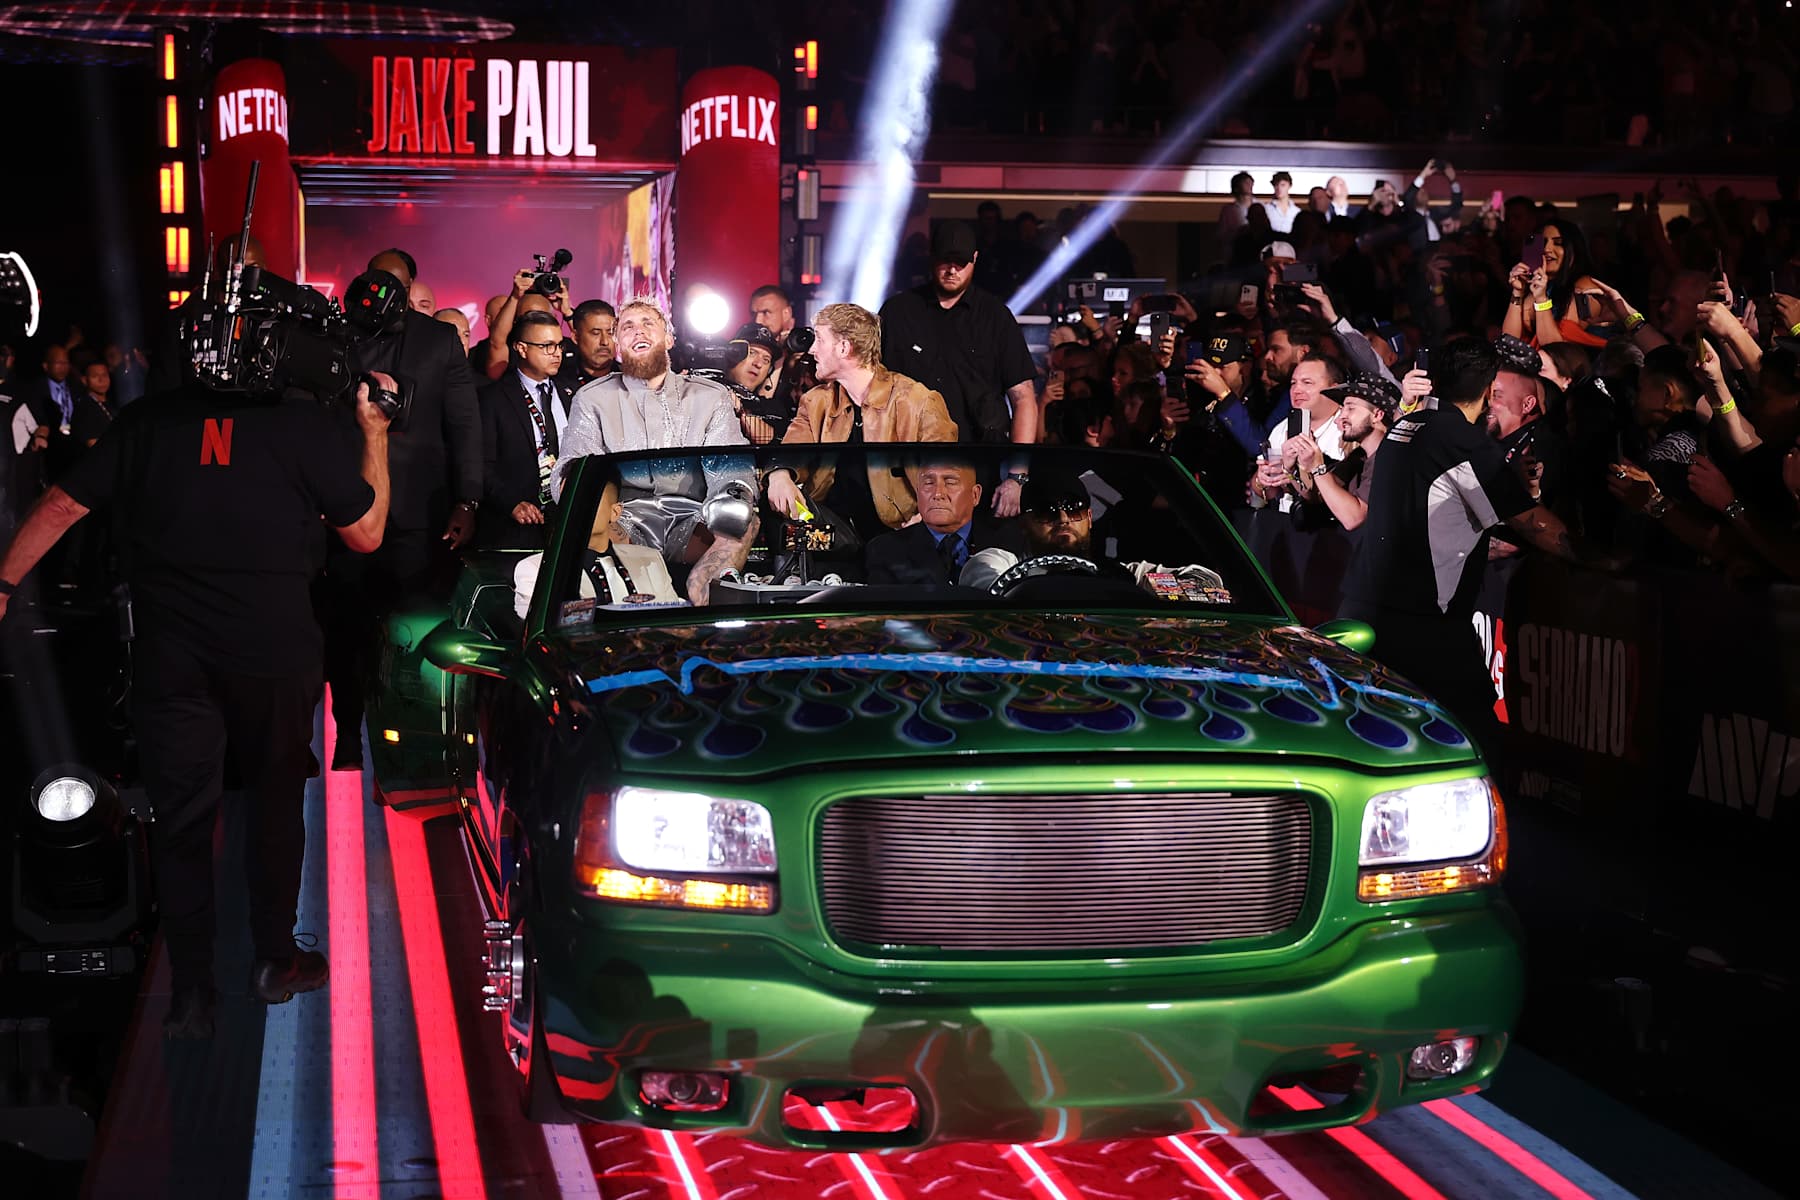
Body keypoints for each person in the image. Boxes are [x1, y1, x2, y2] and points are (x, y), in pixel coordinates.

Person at [0, 359, 397, 1039]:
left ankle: (192, 994)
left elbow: (64, 505)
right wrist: (375, 432)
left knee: (181, 821)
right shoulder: (301, 424)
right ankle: (274, 962)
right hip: (273, 655)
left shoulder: (146, 420)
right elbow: (365, 534)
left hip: (171, 656)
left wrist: (5, 584)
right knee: (275, 806)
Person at [1342, 337, 1601, 761]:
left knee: (1384, 738)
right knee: (1476, 744)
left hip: (1368, 607)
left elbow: (1449, 500)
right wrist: (1599, 559)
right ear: (1485, 389)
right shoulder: (1462, 439)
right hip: (1422, 623)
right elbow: (1531, 524)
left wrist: (1506, 481)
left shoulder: (1408, 425)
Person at [322, 251, 481, 769]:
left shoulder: (437, 341)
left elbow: (464, 426)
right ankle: (347, 734)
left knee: (411, 631)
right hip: (345, 507)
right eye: (374, 280)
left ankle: (410, 741)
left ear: (412, 286)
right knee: (345, 628)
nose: (380, 290)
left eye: (393, 282)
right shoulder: (334, 333)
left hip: (419, 511)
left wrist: (467, 499)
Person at [554, 298, 756, 603]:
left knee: (743, 517)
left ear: (669, 338)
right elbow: (576, 463)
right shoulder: (592, 398)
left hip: (692, 518)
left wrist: (730, 502)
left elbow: (731, 472)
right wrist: (573, 484)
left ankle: (702, 593)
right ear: (618, 344)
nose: (638, 332)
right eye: (628, 327)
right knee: (589, 514)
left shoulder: (709, 396)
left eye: (648, 323)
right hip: (623, 519)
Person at [766, 302, 955, 536]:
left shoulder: (917, 400)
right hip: (832, 528)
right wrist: (779, 474)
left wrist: (927, 516)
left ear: (844, 347)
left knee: (884, 553)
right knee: (775, 517)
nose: (812, 349)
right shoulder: (816, 401)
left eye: (820, 340)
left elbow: (948, 474)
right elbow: (790, 451)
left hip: (898, 529)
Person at [878, 221, 1039, 490]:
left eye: (961, 262)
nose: (952, 269)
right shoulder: (897, 312)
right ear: (932, 256)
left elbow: (1023, 397)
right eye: (945, 260)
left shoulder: (995, 316)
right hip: (908, 466)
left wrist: (1017, 478)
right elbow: (872, 389)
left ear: (975, 259)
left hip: (980, 463)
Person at [512, 463, 677, 619]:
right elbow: (549, 632)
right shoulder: (536, 570)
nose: (575, 508)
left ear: (615, 512)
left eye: (588, 500)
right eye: (569, 499)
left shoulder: (650, 559)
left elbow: (677, 620)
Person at [477, 310, 574, 548]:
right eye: (547, 346)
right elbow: (481, 465)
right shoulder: (493, 398)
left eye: (559, 346)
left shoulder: (572, 393)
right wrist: (510, 503)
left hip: (567, 518)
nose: (556, 354)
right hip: (516, 525)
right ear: (521, 348)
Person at [864, 457, 1026, 585]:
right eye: (928, 483)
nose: (938, 493)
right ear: (918, 493)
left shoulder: (1008, 540)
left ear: (975, 495)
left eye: (950, 482)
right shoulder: (885, 550)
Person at [722, 322, 788, 444]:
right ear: (733, 353)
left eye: (766, 360)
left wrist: (741, 412)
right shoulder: (707, 392)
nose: (758, 364)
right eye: (752, 353)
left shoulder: (774, 409)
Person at [561, 299, 617, 389]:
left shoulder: (629, 379)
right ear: (576, 337)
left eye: (610, 333)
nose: (605, 342)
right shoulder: (559, 379)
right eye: (595, 333)